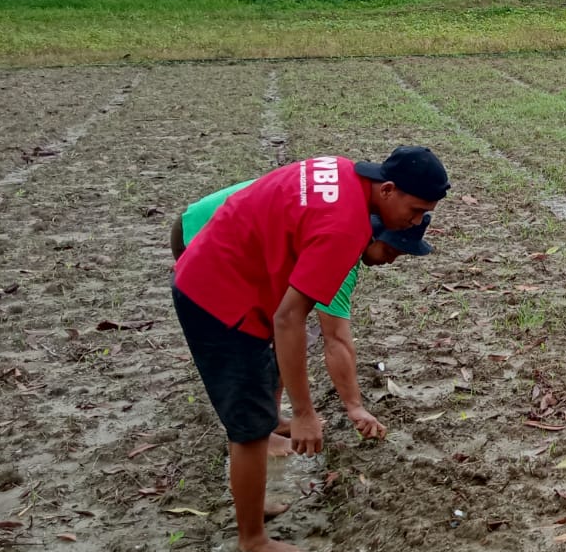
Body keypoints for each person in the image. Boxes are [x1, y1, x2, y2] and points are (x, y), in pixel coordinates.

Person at [172, 146, 449, 552]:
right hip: (216, 294)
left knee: (260, 391)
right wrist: (303, 413)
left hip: (226, 267)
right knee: (249, 428)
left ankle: (253, 497)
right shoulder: (344, 231)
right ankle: (252, 540)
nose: (415, 222)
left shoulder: (343, 172)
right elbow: (290, 321)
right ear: (388, 190)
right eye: (414, 210)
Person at [173, 181, 435, 446]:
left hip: (226, 228)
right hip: (202, 232)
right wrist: (353, 407)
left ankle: (270, 420)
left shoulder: (347, 221)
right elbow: (336, 339)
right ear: (374, 232)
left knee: (280, 325)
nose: (390, 261)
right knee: (248, 340)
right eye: (389, 250)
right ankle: (257, 437)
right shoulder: (340, 245)